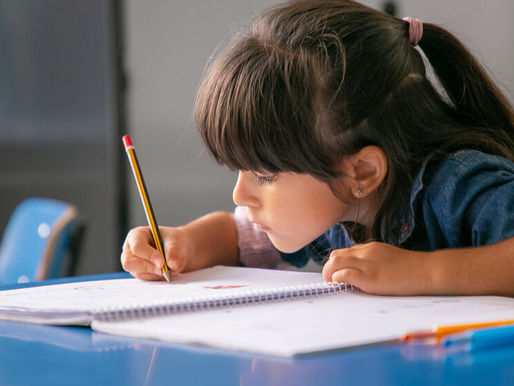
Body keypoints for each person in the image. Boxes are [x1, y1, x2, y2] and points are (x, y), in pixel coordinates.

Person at [121, 0, 514, 296]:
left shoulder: (459, 185)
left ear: (362, 172)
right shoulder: (334, 206)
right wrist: (182, 244)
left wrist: (422, 273)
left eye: (264, 174)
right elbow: (240, 237)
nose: (240, 194)